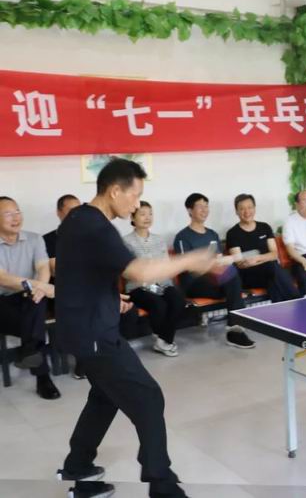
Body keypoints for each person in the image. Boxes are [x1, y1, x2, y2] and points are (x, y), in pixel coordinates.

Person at [55, 159, 219, 498]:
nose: (136, 205)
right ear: (115, 191)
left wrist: (108, 296)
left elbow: (79, 270)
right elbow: (140, 272)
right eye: (135, 195)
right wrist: (192, 259)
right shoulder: (97, 227)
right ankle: (161, 483)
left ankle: (78, 465)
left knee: (105, 396)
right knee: (148, 396)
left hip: (81, 327)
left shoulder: (77, 217)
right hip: (94, 334)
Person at [173, 193, 255, 349]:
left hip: (214, 281)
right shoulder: (183, 237)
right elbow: (187, 267)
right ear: (189, 210)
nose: (204, 210)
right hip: (193, 283)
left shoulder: (212, 234)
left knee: (232, 275)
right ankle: (235, 329)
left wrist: (223, 261)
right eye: (200, 207)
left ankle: (235, 329)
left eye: (206, 206)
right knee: (234, 286)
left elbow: (219, 259)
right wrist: (210, 264)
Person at [0, 196, 60, 400]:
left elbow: (43, 268)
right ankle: (42, 377)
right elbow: (4, 279)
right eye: (8, 214)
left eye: (17, 212)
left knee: (36, 304)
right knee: (35, 320)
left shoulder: (35, 239)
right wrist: (42, 286)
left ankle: (31, 354)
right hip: (3, 300)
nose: (15, 217)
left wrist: (40, 288)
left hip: (29, 297)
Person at [123, 202, 188, 357]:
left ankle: (163, 340)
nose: (147, 217)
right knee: (158, 304)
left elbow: (166, 265)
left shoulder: (159, 240)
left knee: (178, 300)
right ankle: (165, 340)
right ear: (133, 217)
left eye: (150, 214)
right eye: (142, 214)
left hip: (162, 283)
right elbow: (126, 271)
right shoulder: (126, 241)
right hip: (138, 287)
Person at [225, 194, 300, 303]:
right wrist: (265, 258)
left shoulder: (264, 227)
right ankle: (298, 301)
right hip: (249, 276)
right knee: (273, 268)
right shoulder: (232, 233)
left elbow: (275, 254)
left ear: (254, 208)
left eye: (250, 207)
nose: (247, 212)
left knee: (273, 280)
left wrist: (257, 258)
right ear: (236, 211)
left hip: (270, 272)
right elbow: (241, 263)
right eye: (242, 209)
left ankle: (280, 311)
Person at [43, 194, 84, 379]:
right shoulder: (49, 239)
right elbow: (56, 270)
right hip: (59, 292)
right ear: (59, 213)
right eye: (71, 211)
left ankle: (96, 355)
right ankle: (84, 360)